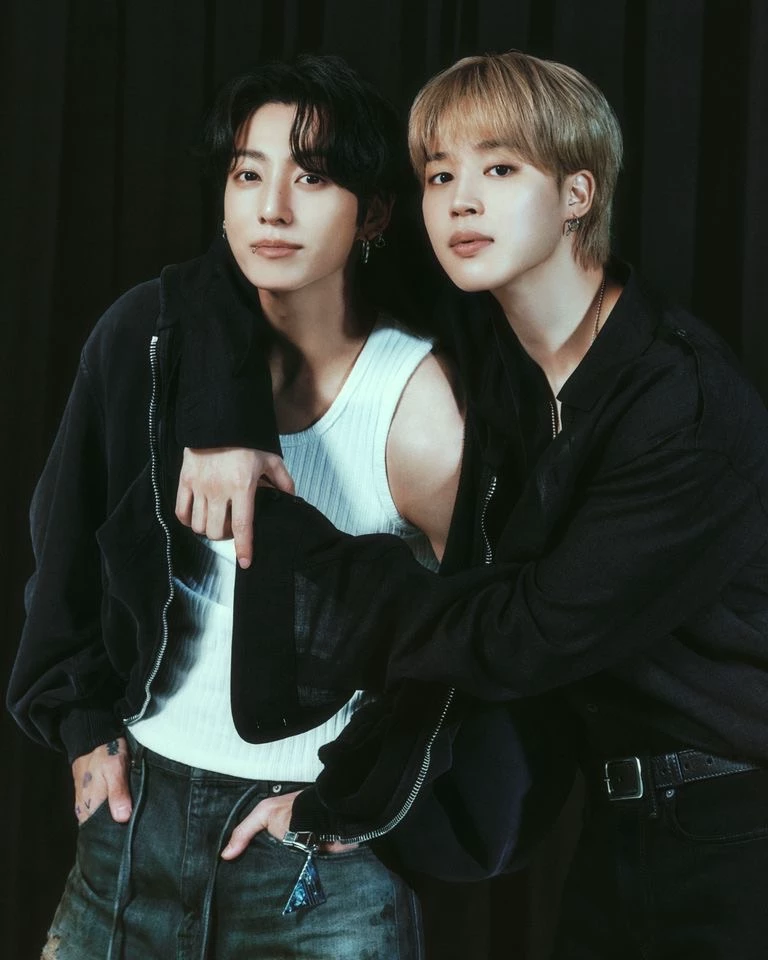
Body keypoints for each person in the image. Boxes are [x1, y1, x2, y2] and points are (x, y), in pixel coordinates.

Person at [178, 51, 768, 959]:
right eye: (440, 175)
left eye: (500, 170)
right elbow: (242, 266)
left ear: (576, 194)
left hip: (735, 825)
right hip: (621, 818)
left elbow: (527, 635)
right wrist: (224, 422)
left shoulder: (681, 407)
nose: (461, 202)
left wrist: (304, 557)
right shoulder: (494, 339)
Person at [7, 54, 470, 959]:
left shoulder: (416, 404)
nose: (273, 209)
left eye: (313, 178)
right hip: (131, 825)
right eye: (248, 175)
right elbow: (63, 544)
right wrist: (83, 728)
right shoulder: (146, 343)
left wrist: (358, 798)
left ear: (375, 213)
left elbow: (474, 642)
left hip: (309, 868)